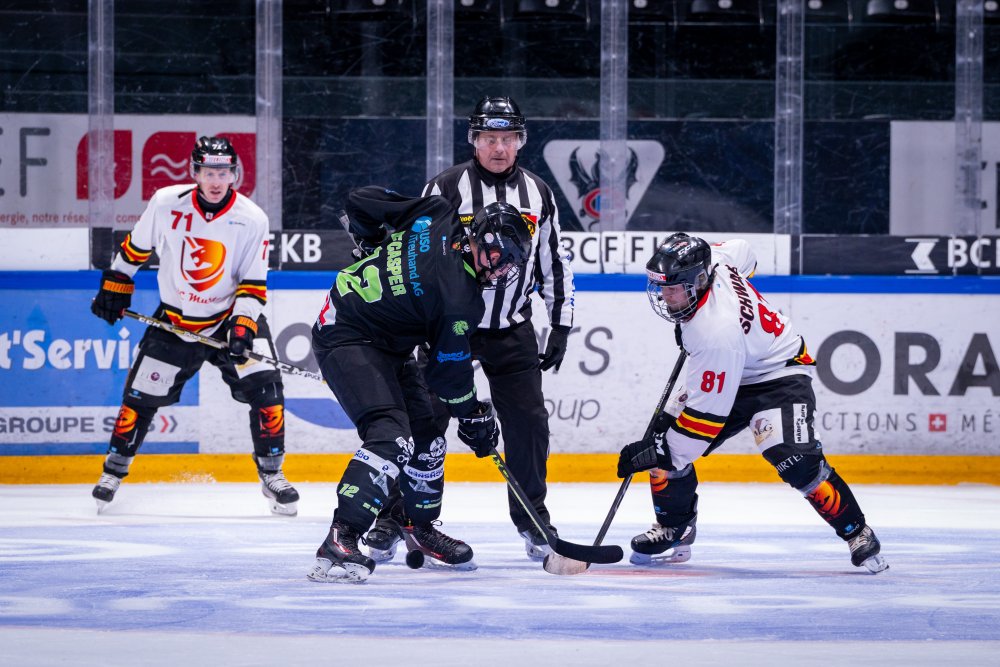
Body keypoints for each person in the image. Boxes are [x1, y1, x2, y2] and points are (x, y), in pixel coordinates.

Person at [364, 95, 576, 562]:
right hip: (446, 329)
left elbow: (553, 260)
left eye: (507, 138)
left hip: (510, 328)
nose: (499, 148)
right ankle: (395, 517)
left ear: (520, 141)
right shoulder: (445, 187)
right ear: (474, 140)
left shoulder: (539, 192)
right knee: (423, 422)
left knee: (528, 423)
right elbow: (413, 251)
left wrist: (560, 322)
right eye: (489, 138)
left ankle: (532, 516)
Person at [617, 233, 888, 574]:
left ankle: (857, 531)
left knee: (793, 459)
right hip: (735, 365)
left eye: (674, 289)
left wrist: (662, 452)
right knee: (664, 435)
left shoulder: (714, 332)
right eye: (662, 288)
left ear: (699, 281)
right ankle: (676, 527)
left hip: (778, 375)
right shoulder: (716, 261)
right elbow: (744, 251)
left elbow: (705, 421)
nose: (665, 296)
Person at [307, 187, 533, 583]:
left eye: (510, 263)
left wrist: (372, 239)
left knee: (428, 440)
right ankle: (341, 538)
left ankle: (417, 525)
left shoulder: (436, 213)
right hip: (346, 335)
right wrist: (474, 415)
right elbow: (448, 375)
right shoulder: (460, 300)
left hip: (387, 344)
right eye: (501, 257)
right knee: (391, 437)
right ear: (482, 240)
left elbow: (359, 200)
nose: (501, 271)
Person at [89, 136, 299, 516]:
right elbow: (136, 248)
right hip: (174, 321)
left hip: (229, 319)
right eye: (208, 173)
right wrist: (116, 283)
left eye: (223, 173)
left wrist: (243, 326)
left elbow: (253, 283)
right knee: (139, 399)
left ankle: (273, 474)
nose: (216, 181)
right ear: (195, 173)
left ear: (234, 175)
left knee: (267, 391)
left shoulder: (252, 218)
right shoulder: (166, 202)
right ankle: (113, 472)